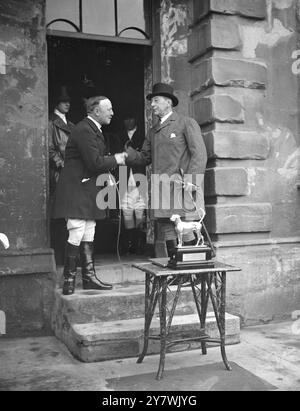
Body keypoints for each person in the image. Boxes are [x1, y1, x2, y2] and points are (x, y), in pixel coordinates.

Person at [52, 88, 127, 295]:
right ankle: (69, 281)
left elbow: (93, 163)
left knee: (88, 229)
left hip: (86, 189)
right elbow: (94, 162)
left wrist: (108, 173)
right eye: (108, 109)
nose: (112, 113)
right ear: (95, 111)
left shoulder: (92, 129)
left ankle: (88, 278)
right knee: (76, 229)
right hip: (77, 189)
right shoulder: (85, 129)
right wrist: (117, 159)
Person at [125, 83, 208, 257]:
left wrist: (192, 180)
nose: (152, 105)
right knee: (167, 227)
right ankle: (177, 268)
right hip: (161, 186)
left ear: (168, 102)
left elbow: (199, 154)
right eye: (151, 102)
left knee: (185, 228)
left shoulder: (186, 123)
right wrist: (127, 155)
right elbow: (144, 158)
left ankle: (192, 269)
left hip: (182, 186)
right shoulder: (152, 131)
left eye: (156, 100)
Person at [49, 86, 74, 265]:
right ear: (57, 102)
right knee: (60, 215)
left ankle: (70, 257)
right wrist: (62, 164)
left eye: (68, 101)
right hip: (59, 174)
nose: (67, 104)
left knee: (72, 216)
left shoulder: (71, 125)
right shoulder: (51, 122)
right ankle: (60, 257)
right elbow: (50, 149)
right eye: (63, 101)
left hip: (71, 174)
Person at [120, 116, 146, 255]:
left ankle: (139, 245)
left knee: (140, 210)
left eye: (130, 117)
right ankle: (128, 245)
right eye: (125, 118)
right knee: (126, 210)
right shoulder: (119, 136)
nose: (127, 121)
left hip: (139, 176)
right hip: (124, 177)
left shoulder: (143, 135)